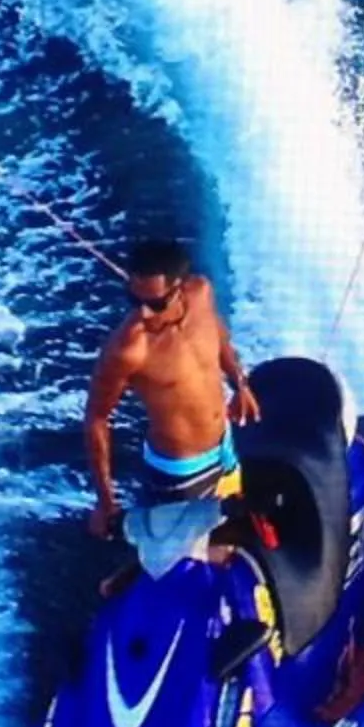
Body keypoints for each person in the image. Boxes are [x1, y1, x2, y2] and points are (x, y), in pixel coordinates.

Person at [83, 239, 264, 581]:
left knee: (232, 529)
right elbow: (96, 418)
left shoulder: (202, 294)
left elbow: (220, 337)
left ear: (180, 288)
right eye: (134, 301)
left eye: (154, 302)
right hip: (180, 471)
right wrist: (105, 500)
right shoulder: (128, 348)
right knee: (184, 562)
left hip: (223, 446)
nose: (143, 313)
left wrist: (239, 383)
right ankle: (127, 581)